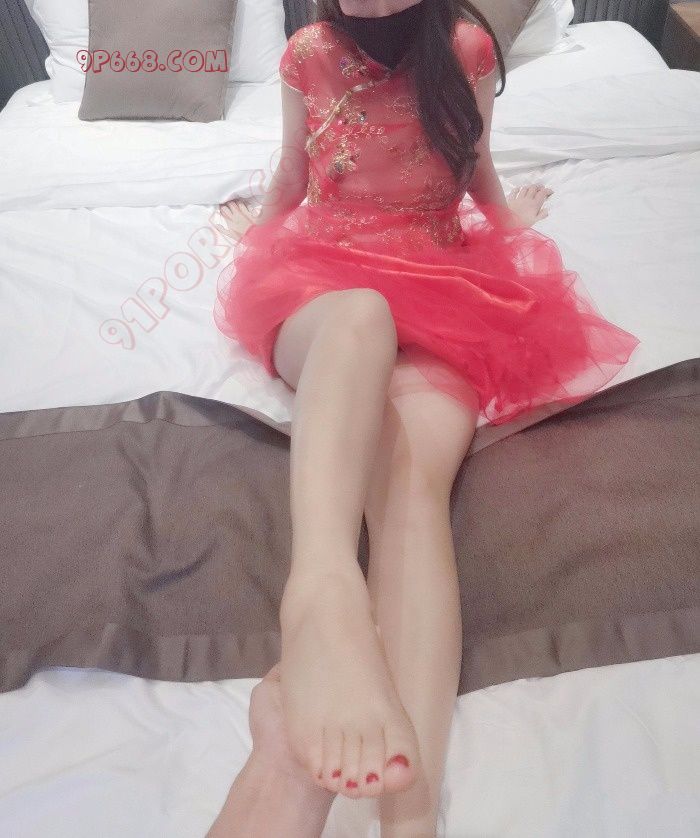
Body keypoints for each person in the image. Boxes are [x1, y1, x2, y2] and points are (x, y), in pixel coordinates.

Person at [210, 2, 640, 835]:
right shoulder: (308, 52)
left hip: (445, 285)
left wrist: (510, 224)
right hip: (320, 281)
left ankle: (410, 822)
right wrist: (255, 233)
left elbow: (473, 164)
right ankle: (323, 589)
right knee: (361, 314)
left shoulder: (465, 47)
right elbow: (294, 170)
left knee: (413, 496)